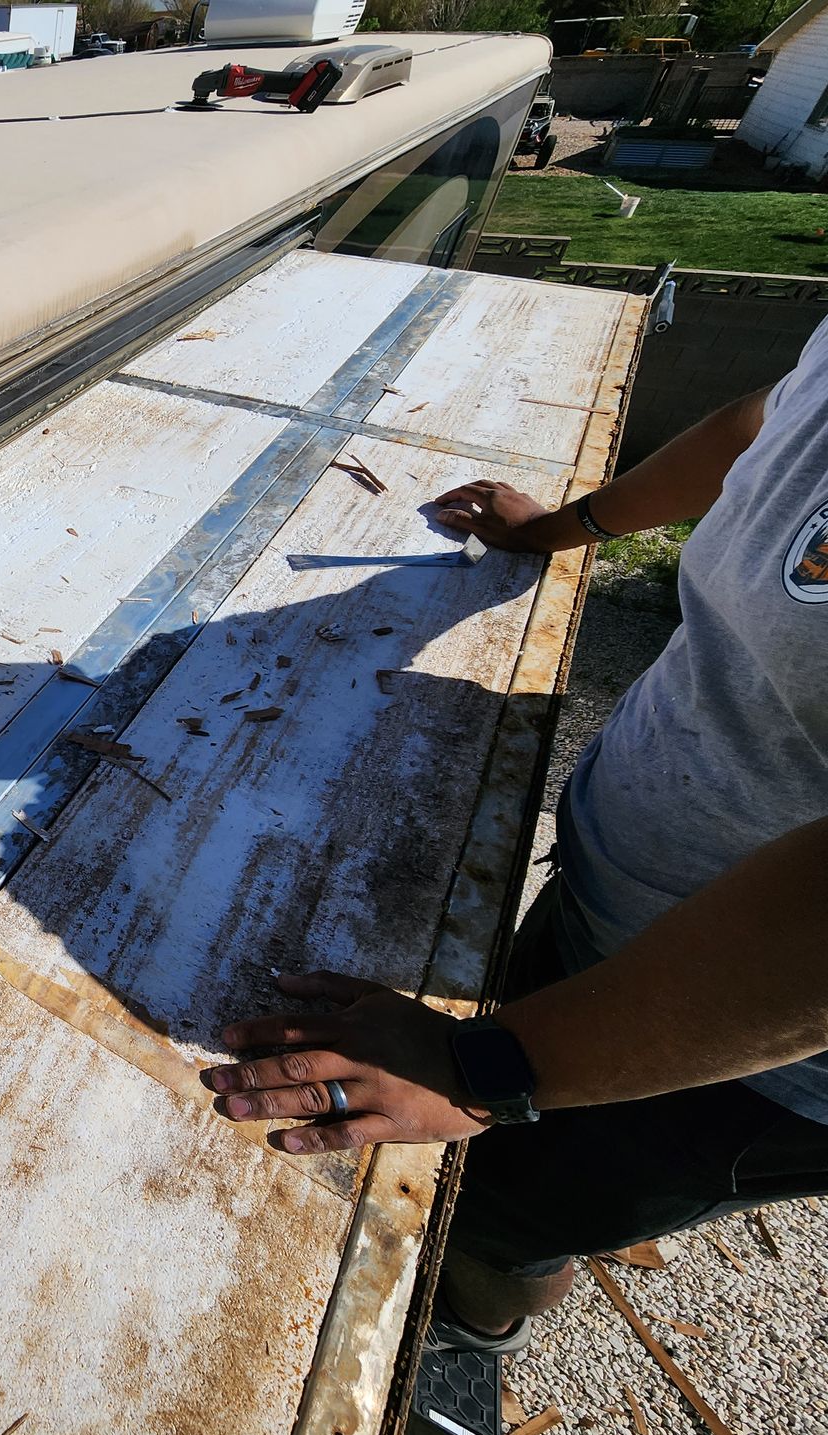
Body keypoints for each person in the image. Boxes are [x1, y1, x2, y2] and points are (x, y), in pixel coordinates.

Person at [197, 324, 828, 1353]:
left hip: (754, 1059)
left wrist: (489, 1072)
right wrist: (568, 527)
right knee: (485, 1139)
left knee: (500, 1207)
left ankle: (474, 1321)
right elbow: (767, 422)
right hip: (618, 911)